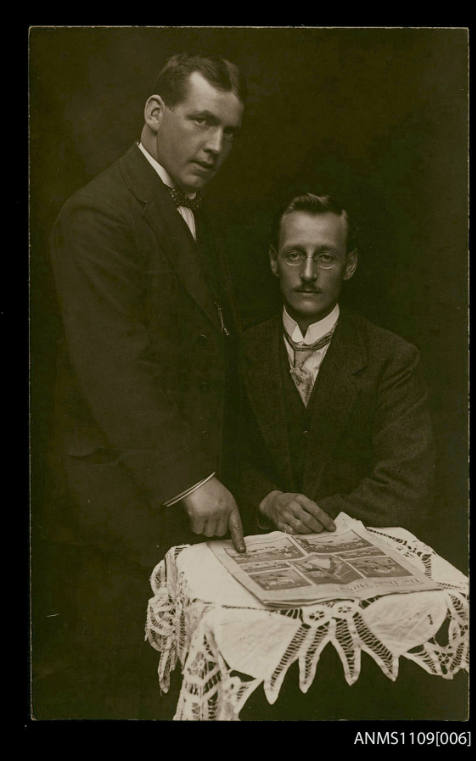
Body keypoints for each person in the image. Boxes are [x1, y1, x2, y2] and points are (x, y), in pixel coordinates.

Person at [34, 53, 247, 719]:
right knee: (126, 690)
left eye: (229, 131)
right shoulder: (99, 214)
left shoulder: (184, 210)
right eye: (201, 121)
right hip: (118, 501)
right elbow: (114, 368)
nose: (215, 146)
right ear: (155, 115)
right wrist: (192, 479)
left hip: (172, 498)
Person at [238, 193, 435, 539]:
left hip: (359, 549)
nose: (308, 273)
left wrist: (308, 518)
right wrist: (267, 500)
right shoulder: (238, 352)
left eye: (326, 257)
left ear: (350, 264)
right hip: (253, 548)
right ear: (273, 261)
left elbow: (406, 485)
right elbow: (216, 457)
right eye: (294, 255)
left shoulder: (392, 359)